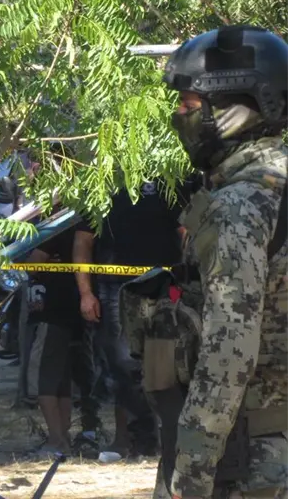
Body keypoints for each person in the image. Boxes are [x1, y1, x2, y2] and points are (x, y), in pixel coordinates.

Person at [146, 26, 288, 499]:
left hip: (252, 459)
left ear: (234, 113)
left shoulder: (241, 206)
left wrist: (189, 475)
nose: (179, 117)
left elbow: (228, 356)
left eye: (189, 107)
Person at [73, 178, 186, 459]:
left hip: (164, 286)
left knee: (171, 365)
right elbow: (83, 241)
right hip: (115, 289)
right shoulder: (100, 183)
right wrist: (86, 293)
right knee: (122, 365)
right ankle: (142, 434)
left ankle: (171, 437)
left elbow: (186, 232)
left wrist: (189, 281)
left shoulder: (167, 179)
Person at [24, 228, 100, 458]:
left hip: (52, 313)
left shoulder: (56, 231)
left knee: (45, 378)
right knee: (62, 379)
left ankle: (56, 440)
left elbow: (34, 262)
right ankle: (62, 438)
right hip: (70, 313)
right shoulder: (77, 229)